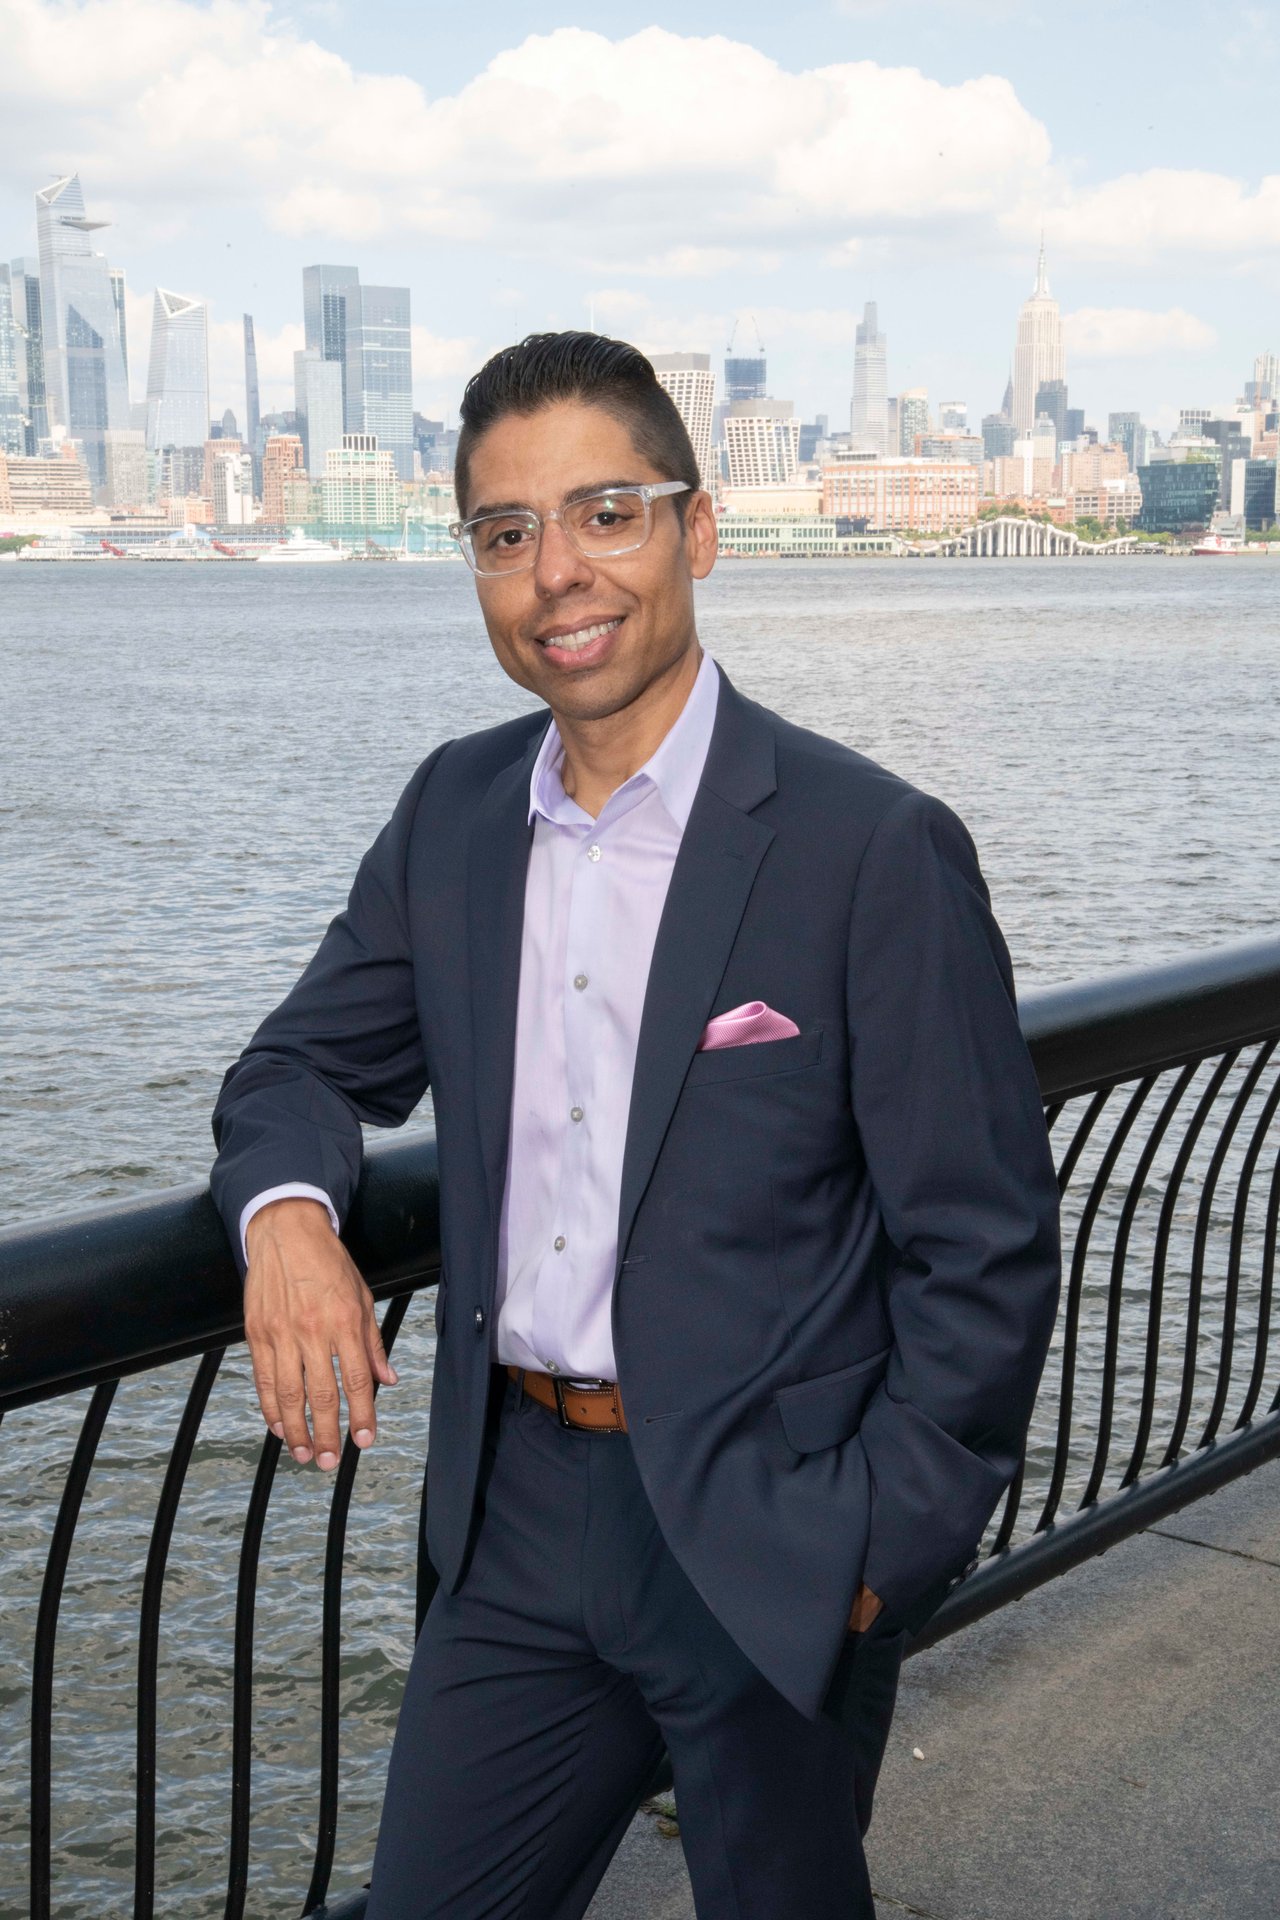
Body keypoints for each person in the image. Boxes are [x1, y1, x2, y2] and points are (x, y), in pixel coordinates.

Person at [210, 331, 1061, 1919]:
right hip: (515, 1519)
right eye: (507, 532)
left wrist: (879, 1548)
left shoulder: (869, 846)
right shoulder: (454, 816)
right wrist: (289, 1224)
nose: (557, 575)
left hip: (776, 1524)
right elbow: (297, 1071)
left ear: (697, 530)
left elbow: (984, 1240)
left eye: (606, 513)